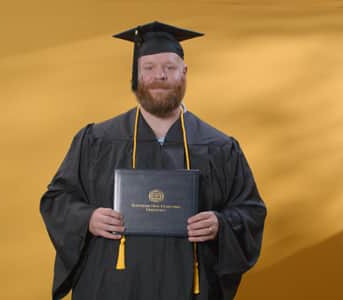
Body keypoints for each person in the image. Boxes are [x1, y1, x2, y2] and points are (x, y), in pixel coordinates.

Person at [40, 21, 266, 300]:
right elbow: (57, 199)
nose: (160, 75)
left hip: (189, 287)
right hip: (112, 289)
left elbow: (251, 211)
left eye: (170, 68)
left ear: (184, 73)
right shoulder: (97, 141)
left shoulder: (219, 147)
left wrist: (220, 224)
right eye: (149, 68)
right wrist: (88, 219)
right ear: (136, 76)